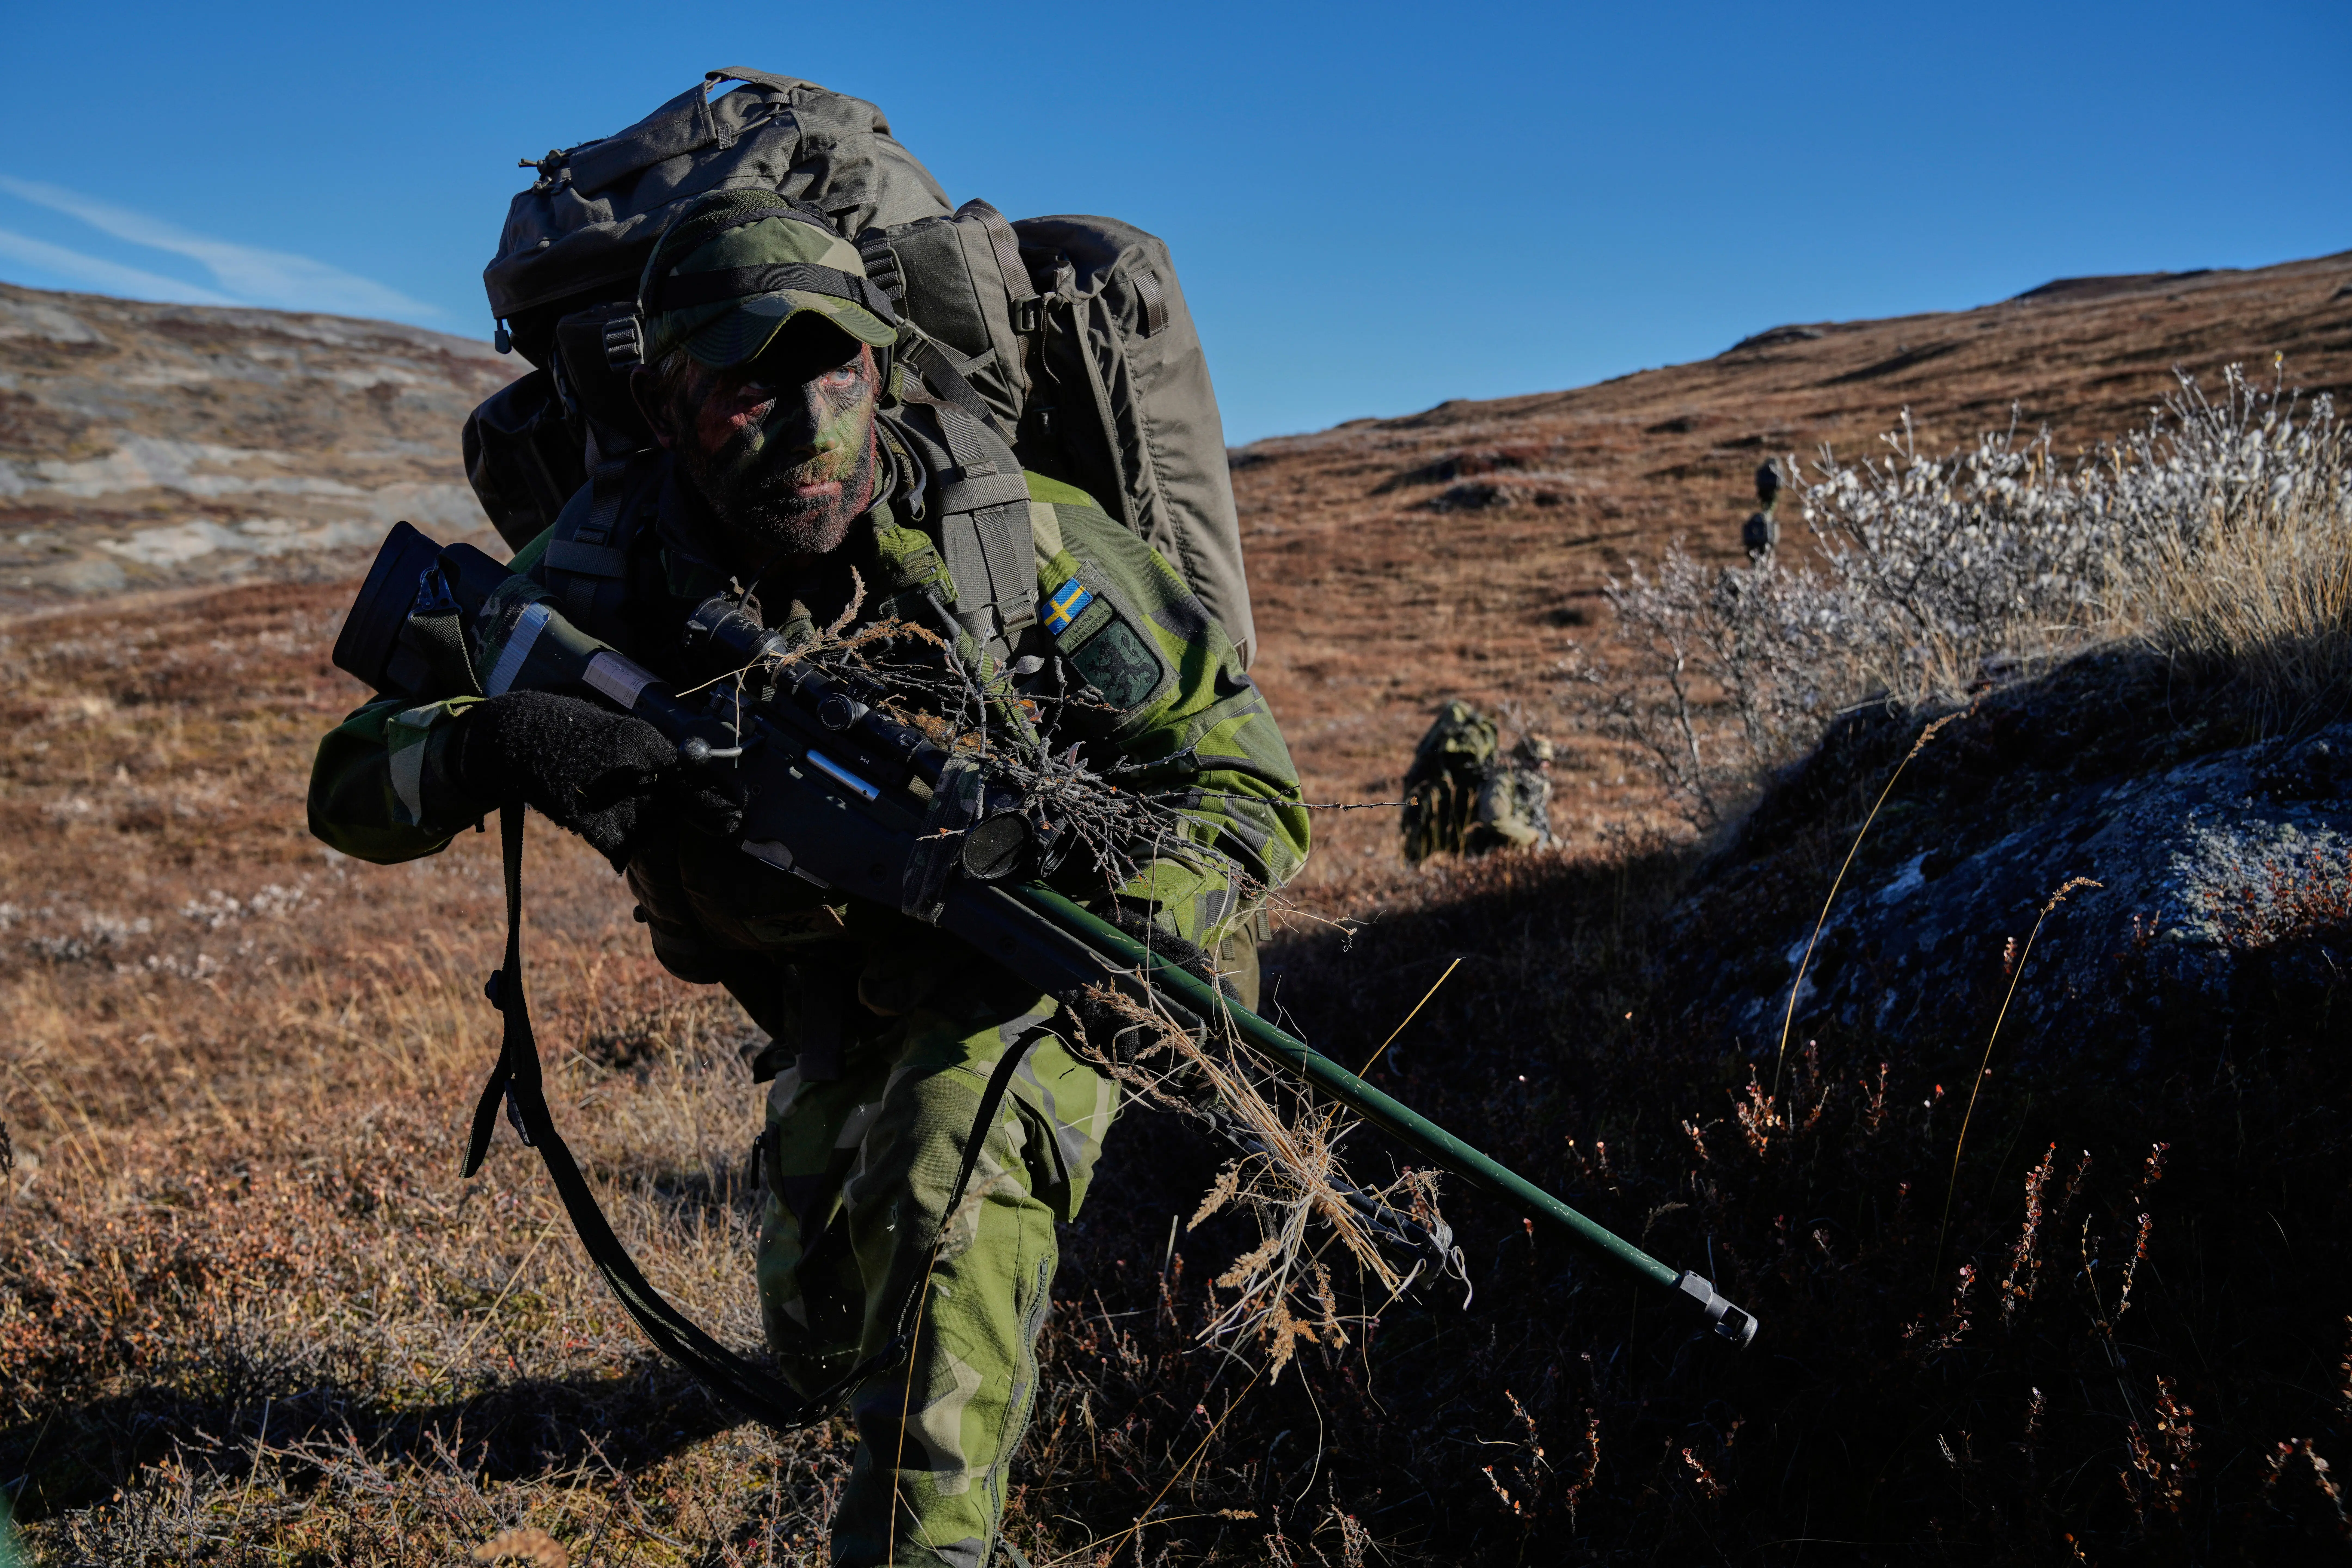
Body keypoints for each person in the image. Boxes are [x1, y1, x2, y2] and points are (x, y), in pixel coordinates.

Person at [308, 190, 1308, 1568]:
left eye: (834, 375)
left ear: (881, 366)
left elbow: (1248, 776)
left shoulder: (1015, 541)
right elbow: (350, 788)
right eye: (742, 390)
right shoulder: (604, 566)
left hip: (1056, 941)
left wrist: (1147, 904)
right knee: (824, 1334)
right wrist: (495, 748)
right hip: (841, 973)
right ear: (662, 406)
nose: (810, 435)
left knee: (947, 1191)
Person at [1468, 734, 1555, 853]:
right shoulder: (1503, 783)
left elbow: (1537, 822)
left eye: (1545, 761)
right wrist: (1533, 837)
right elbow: (1496, 821)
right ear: (1520, 759)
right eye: (1533, 760)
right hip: (1497, 852)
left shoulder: (1537, 788)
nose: (1540, 766)